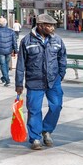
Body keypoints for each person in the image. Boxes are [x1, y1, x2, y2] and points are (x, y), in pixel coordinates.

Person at [15, 13, 67, 150]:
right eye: (49, 26)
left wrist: (61, 74)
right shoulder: (26, 41)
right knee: (34, 110)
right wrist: (19, 83)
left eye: (53, 25)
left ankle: (46, 129)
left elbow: (62, 58)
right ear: (40, 26)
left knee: (56, 106)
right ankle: (35, 138)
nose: (52, 28)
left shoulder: (57, 40)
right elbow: (20, 64)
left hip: (53, 81)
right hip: (34, 82)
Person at [0, 17, 18, 87]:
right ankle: (4, 78)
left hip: (0, 50)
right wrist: (16, 51)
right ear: (6, 23)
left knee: (3, 65)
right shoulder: (11, 31)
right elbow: (14, 42)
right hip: (8, 50)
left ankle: (7, 79)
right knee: (6, 64)